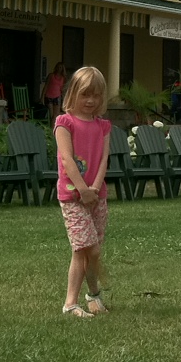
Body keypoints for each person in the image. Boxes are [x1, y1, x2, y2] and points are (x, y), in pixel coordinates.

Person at [54, 66, 111, 319]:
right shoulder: (64, 123)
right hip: (73, 197)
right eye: (85, 94)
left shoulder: (103, 126)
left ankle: (93, 295)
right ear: (73, 93)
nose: (91, 101)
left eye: (96, 96)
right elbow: (66, 159)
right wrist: (82, 190)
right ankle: (71, 303)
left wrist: (95, 189)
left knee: (94, 249)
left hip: (97, 196)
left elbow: (103, 159)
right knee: (83, 248)